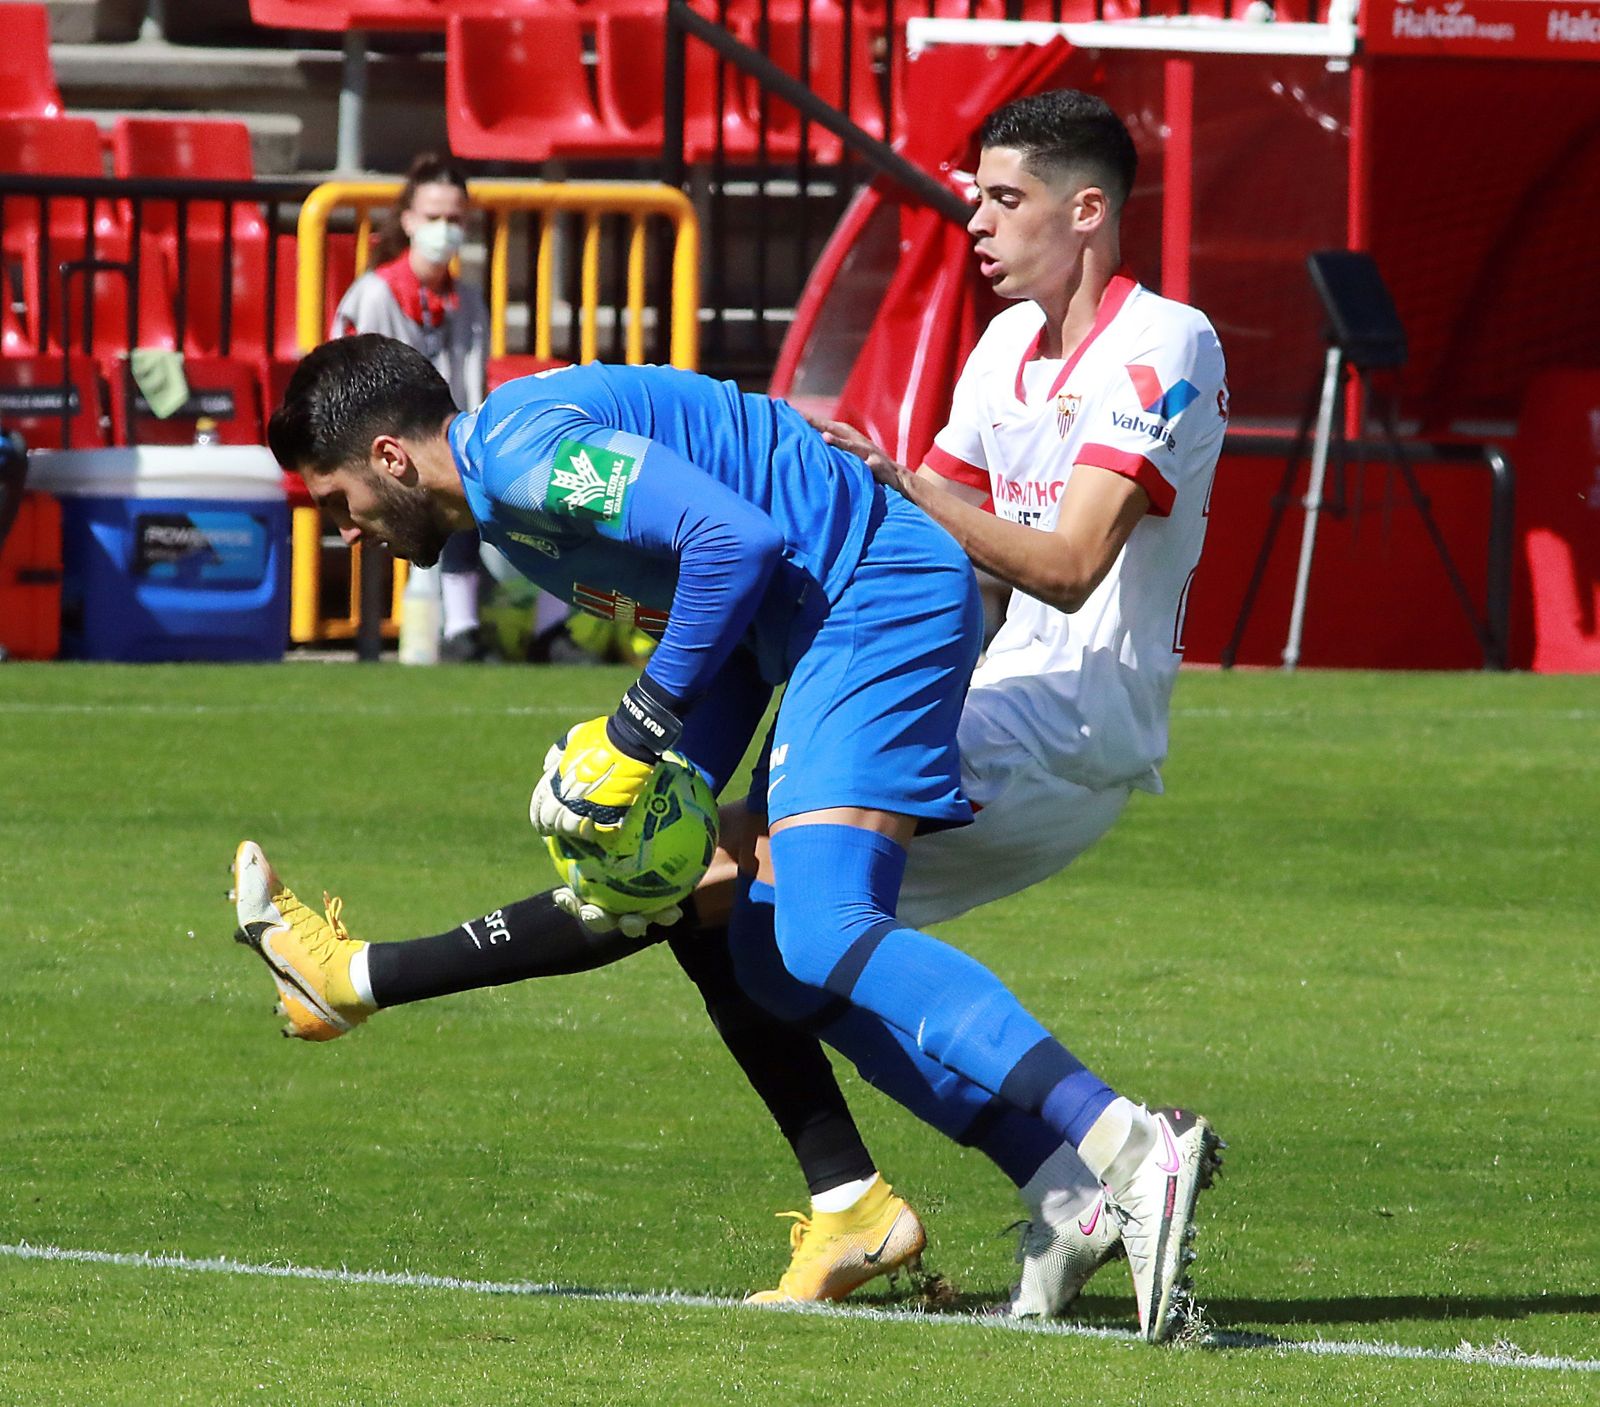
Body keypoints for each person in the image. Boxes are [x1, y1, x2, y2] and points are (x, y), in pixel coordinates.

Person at [240, 89, 1229, 1340]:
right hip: (840, 623)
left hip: (891, 607)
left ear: (386, 459)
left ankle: (1124, 1142)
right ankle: (1034, 1188)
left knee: (808, 923)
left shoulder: (517, 458)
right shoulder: (508, 523)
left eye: (337, 500)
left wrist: (641, 730)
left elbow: (739, 542)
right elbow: (741, 618)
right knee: (739, 930)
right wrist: (648, 774)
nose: (344, 532)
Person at [331, 153, 491, 662]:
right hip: (376, 442)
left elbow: (473, 384)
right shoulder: (375, 294)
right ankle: (456, 625)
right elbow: (347, 388)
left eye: (455, 219)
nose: (444, 229)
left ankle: (473, 627)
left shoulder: (467, 299)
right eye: (433, 217)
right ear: (408, 221)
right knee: (446, 481)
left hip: (449, 439)